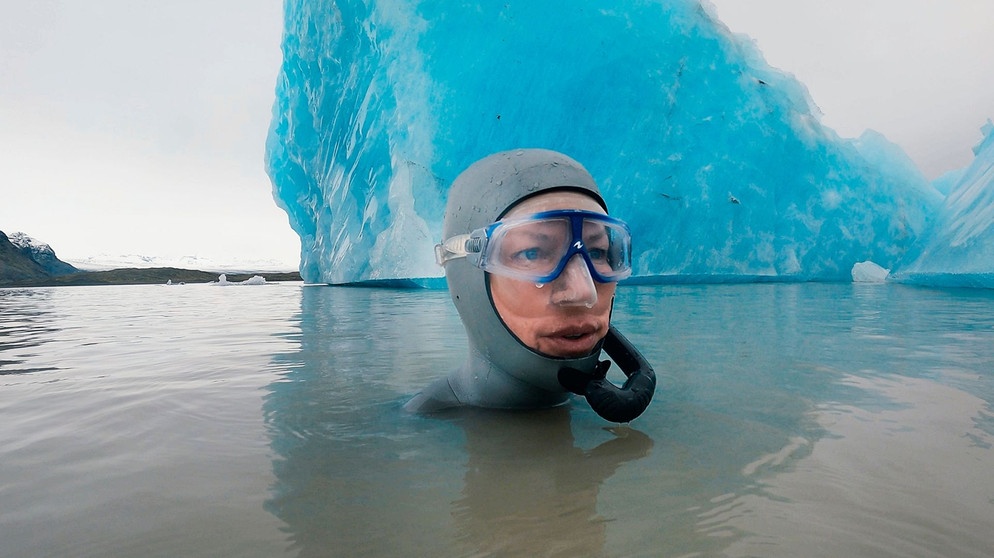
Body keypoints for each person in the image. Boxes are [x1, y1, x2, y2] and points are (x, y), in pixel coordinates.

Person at [404, 149, 655, 422]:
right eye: (532, 253)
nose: (584, 292)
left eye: (596, 253)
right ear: (468, 279)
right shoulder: (416, 431)